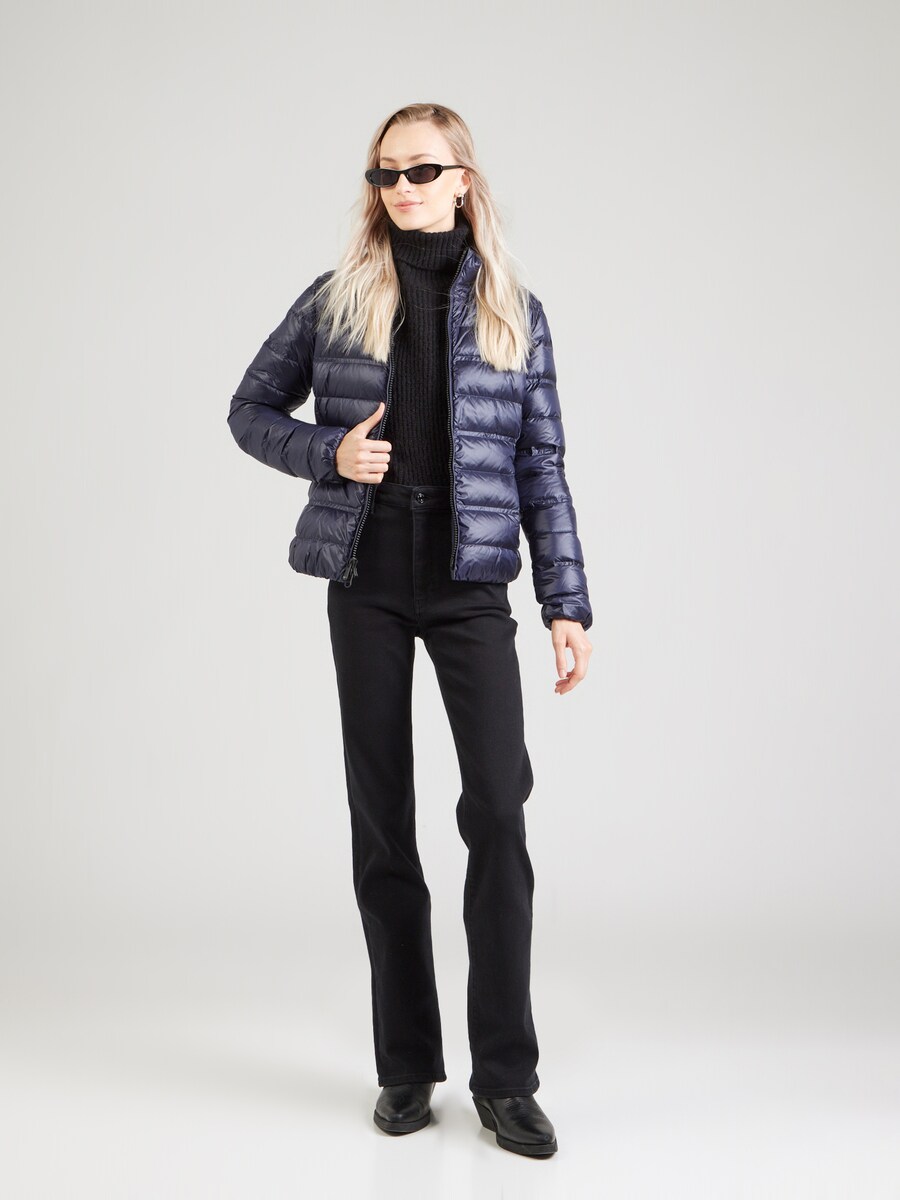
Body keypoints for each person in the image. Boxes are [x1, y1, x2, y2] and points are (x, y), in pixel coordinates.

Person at [227, 103, 593, 1158]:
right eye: (385, 173)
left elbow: (542, 468)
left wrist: (566, 603)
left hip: (471, 583)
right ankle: (406, 1065)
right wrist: (329, 454)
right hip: (371, 575)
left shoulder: (515, 311)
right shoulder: (338, 297)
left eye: (422, 171)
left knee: (499, 815)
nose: (400, 189)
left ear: (463, 179)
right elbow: (250, 410)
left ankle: (507, 1078)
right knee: (383, 820)